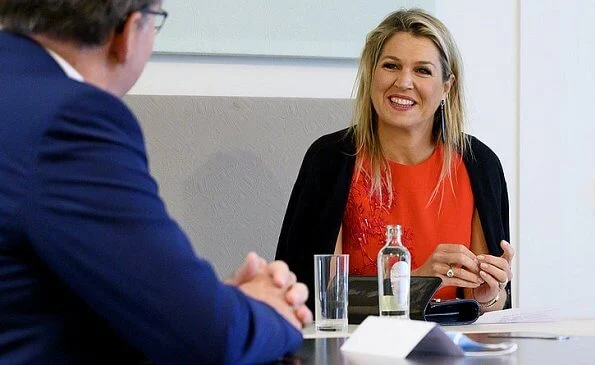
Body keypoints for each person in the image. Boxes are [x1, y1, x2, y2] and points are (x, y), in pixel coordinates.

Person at [0, 1, 311, 364]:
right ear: (128, 33)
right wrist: (270, 310)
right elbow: (207, 338)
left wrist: (199, 304)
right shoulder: (72, 119)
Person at [276, 9, 514, 314]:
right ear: (371, 74)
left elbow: (493, 308)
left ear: (447, 87)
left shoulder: (480, 164)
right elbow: (312, 299)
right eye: (391, 66)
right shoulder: (330, 160)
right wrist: (416, 283)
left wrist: (489, 297)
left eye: (423, 71)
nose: (403, 82)